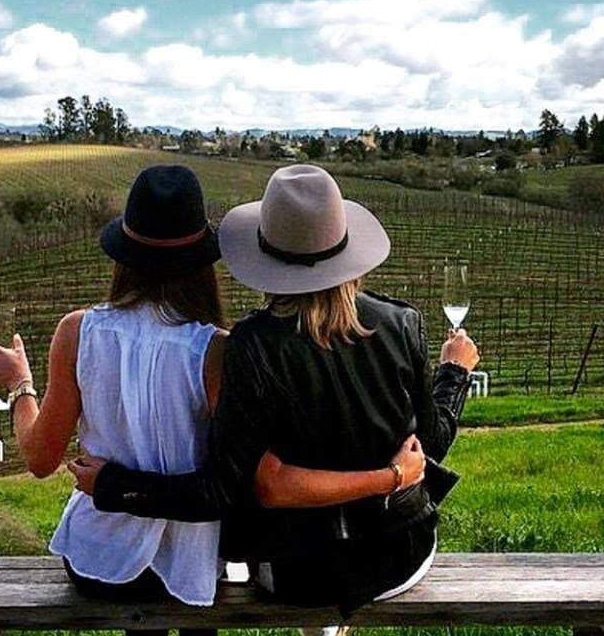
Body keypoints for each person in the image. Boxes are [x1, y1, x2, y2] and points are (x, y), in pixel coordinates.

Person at [0, 165, 430, 636]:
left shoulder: (77, 332)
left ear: (122, 254)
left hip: (100, 558)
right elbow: (236, 481)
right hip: (191, 562)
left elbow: (39, 457)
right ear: (202, 259)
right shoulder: (216, 349)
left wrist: (20, 386)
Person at [70, 164, 479, 616]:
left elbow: (223, 490)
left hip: (296, 573)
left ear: (265, 255)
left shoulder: (251, 348)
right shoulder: (403, 325)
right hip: (401, 557)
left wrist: (111, 486)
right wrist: (455, 372)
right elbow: (432, 443)